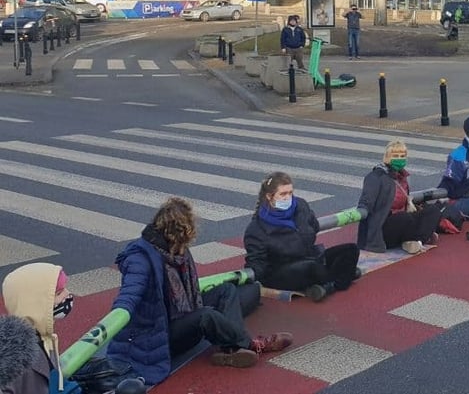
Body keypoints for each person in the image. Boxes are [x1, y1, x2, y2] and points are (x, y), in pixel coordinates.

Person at [109, 198, 292, 383]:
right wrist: (120, 311)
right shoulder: (141, 258)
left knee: (226, 290)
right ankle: (252, 345)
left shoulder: (174, 250)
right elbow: (130, 292)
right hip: (160, 334)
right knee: (205, 315)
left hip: (178, 314)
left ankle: (232, 350)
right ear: (176, 233)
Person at [244, 173, 361, 301]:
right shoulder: (257, 229)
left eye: (290, 192)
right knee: (312, 267)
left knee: (350, 249)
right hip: (282, 271)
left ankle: (330, 285)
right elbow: (257, 263)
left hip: (310, 256)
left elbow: (314, 226)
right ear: (269, 196)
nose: (288, 197)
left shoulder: (300, 206)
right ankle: (344, 276)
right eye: (283, 194)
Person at [0, 263, 77, 394]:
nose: (68, 294)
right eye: (58, 293)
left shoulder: (42, 337)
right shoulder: (21, 357)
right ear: (36, 303)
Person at [357, 140, 442, 254]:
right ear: (387, 156)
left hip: (404, 221)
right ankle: (418, 237)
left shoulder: (403, 177)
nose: (399, 159)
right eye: (395, 155)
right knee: (404, 218)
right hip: (384, 227)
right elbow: (365, 202)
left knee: (433, 211)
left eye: (402, 156)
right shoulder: (376, 177)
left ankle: (416, 241)